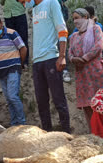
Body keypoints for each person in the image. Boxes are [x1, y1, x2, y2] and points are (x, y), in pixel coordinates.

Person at [17, 0, 71, 133]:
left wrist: (62, 56)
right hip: (37, 62)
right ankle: (47, 134)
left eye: (24, 1)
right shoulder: (35, 9)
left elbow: (62, 30)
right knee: (41, 103)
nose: (24, 4)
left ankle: (67, 134)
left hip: (51, 58)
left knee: (59, 100)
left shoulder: (52, 2)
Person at [68, 8, 103, 131]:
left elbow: (98, 47)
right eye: (73, 19)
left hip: (94, 72)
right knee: (87, 106)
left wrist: (84, 58)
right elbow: (70, 52)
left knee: (99, 103)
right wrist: (73, 59)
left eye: (77, 18)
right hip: (81, 74)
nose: (75, 21)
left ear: (86, 17)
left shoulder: (96, 29)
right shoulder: (73, 36)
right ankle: (93, 133)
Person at [0, 0, 29, 66]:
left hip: (19, 13)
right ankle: (15, 61)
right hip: (8, 16)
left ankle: (24, 62)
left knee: (23, 38)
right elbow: (1, 2)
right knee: (12, 40)